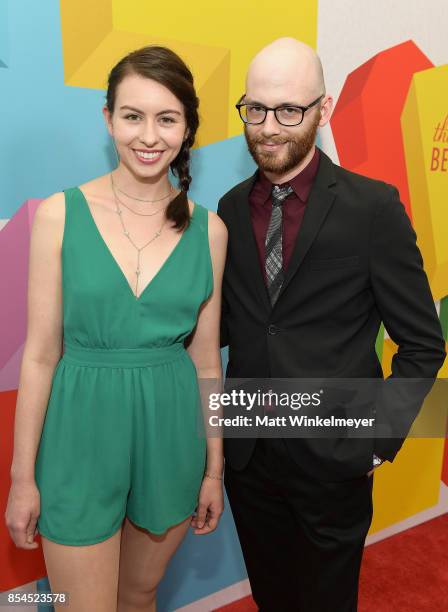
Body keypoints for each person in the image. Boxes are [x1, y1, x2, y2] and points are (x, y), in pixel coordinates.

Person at [217, 38, 446, 612]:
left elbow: (423, 342)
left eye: (289, 110)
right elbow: (230, 326)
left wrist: (376, 441)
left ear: (326, 107)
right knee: (273, 598)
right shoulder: (227, 209)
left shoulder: (373, 208)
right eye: (256, 108)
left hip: (336, 458)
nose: (269, 127)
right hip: (249, 459)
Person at [5, 45, 227, 612]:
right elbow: (38, 356)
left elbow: (206, 363)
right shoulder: (59, 214)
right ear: (109, 119)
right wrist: (22, 477)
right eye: (133, 115)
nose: (148, 135)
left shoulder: (210, 232)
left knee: (139, 594)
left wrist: (214, 469)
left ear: (186, 128)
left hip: (172, 438)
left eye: (167, 118)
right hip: (78, 439)